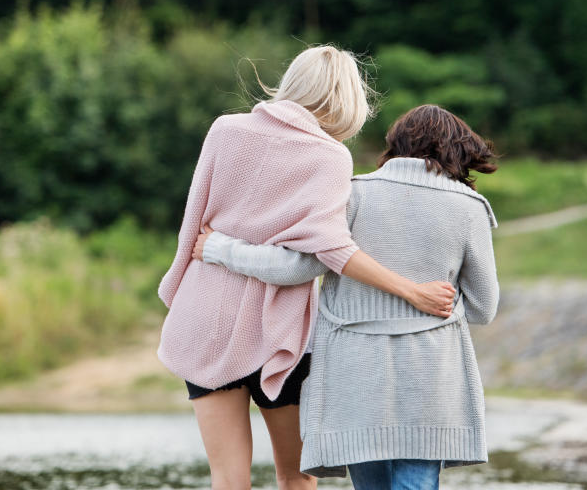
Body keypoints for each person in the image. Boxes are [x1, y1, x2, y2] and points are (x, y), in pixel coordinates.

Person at [156, 46, 457, 490]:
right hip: (280, 331)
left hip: (205, 317)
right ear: (346, 98)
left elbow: (192, 229)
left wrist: (195, 274)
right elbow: (325, 253)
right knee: (297, 478)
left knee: (227, 478)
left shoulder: (224, 130)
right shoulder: (329, 156)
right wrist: (411, 291)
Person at [194, 104, 500, 490]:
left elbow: (294, 269)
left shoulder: (351, 195)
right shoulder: (468, 208)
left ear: (396, 145)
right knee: (416, 482)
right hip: (430, 373)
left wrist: (219, 249)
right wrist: (429, 304)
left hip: (355, 372)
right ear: (457, 149)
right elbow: (484, 308)